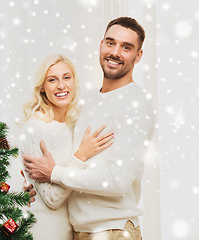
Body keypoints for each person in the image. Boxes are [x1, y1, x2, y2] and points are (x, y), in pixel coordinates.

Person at [23, 17, 156, 240]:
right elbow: (69, 154)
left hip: (114, 230)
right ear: (101, 44)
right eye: (110, 43)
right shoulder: (87, 101)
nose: (115, 52)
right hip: (79, 231)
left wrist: (55, 173)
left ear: (138, 56)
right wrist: (33, 184)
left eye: (126, 47)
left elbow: (117, 182)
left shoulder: (136, 105)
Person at [18, 54, 114, 240]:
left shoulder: (73, 126)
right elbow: (52, 199)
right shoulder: (36, 128)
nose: (61, 85)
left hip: (73, 230)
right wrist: (81, 155)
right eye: (52, 80)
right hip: (45, 231)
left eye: (66, 77)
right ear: (43, 88)